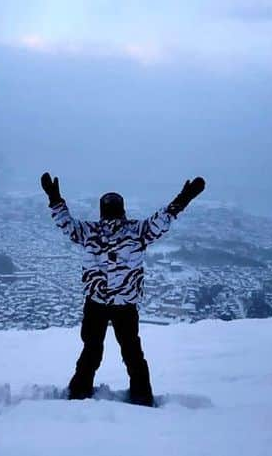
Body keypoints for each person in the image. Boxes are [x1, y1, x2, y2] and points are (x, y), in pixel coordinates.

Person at [41, 171, 206, 406]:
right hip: (125, 304)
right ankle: (141, 396)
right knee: (132, 352)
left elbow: (65, 223)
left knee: (91, 350)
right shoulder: (137, 232)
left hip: (96, 302)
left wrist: (55, 198)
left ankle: (79, 393)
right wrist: (184, 197)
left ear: (101, 210)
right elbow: (164, 219)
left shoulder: (89, 232)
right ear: (123, 209)